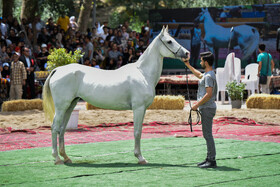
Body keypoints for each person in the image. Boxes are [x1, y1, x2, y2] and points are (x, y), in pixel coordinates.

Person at [182, 51, 218, 168]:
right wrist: (188, 65)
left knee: (208, 135)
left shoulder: (209, 76)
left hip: (207, 108)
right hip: (206, 108)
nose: (200, 62)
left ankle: (211, 160)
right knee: (207, 134)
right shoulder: (208, 74)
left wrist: (196, 105)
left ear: (206, 62)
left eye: (202, 60)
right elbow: (198, 75)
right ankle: (209, 158)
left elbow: (208, 94)